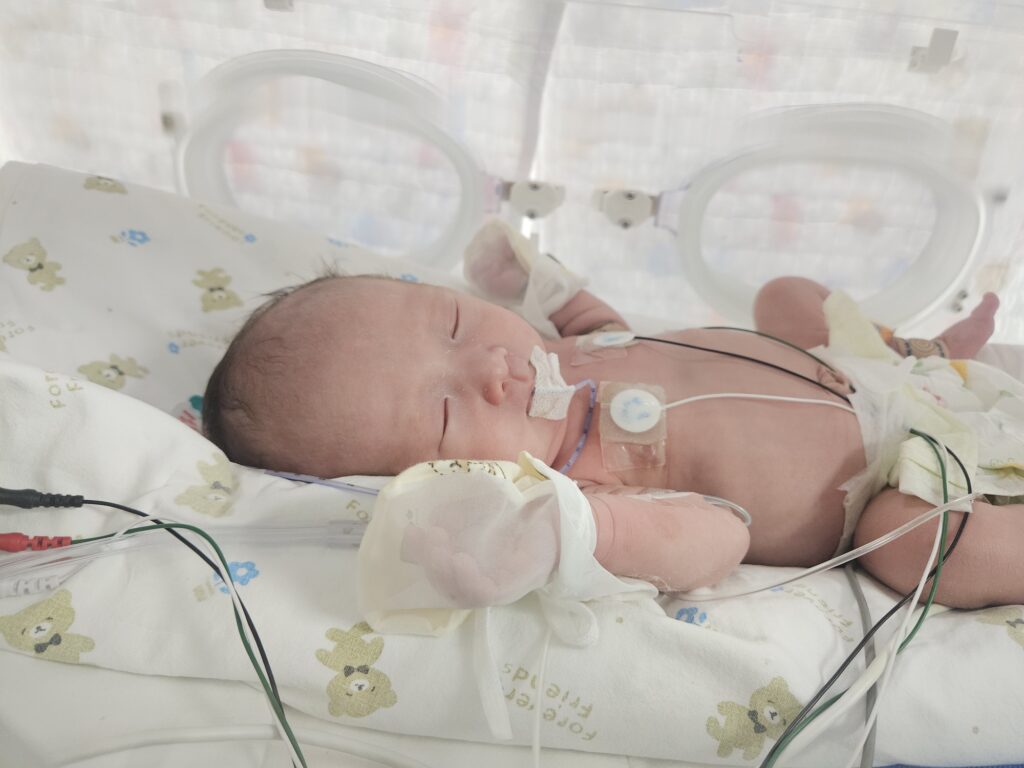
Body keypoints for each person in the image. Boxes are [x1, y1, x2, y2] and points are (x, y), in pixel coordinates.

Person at [202, 225, 1021, 610]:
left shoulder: (564, 352)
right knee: (920, 551)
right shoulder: (580, 482)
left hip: (859, 367)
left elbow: (606, 326)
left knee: (783, 294)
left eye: (454, 323)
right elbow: (719, 539)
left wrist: (552, 291)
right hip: (898, 477)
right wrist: (576, 534)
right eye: (447, 414)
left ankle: (922, 351)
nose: (489, 368)